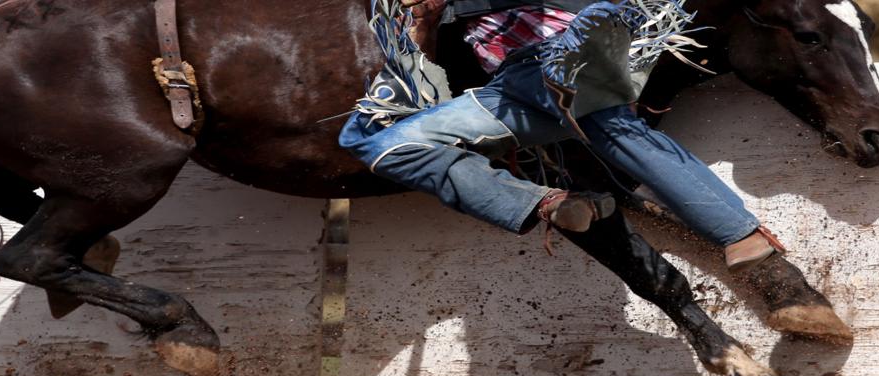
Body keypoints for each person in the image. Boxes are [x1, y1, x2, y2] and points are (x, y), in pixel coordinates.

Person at [338, 0, 794, 272]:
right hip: (510, 87)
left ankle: (737, 230)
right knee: (377, 143)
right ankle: (547, 202)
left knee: (596, 111)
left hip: (568, 52)